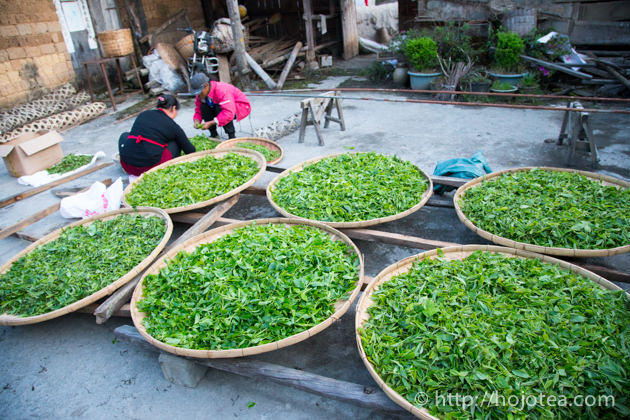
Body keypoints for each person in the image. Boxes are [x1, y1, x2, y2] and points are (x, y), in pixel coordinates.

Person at [118, 94, 196, 176]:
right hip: (149, 169)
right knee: (175, 142)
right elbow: (190, 151)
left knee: (125, 135)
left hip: (127, 166)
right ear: (173, 108)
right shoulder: (172, 125)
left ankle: (127, 165)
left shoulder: (143, 114)